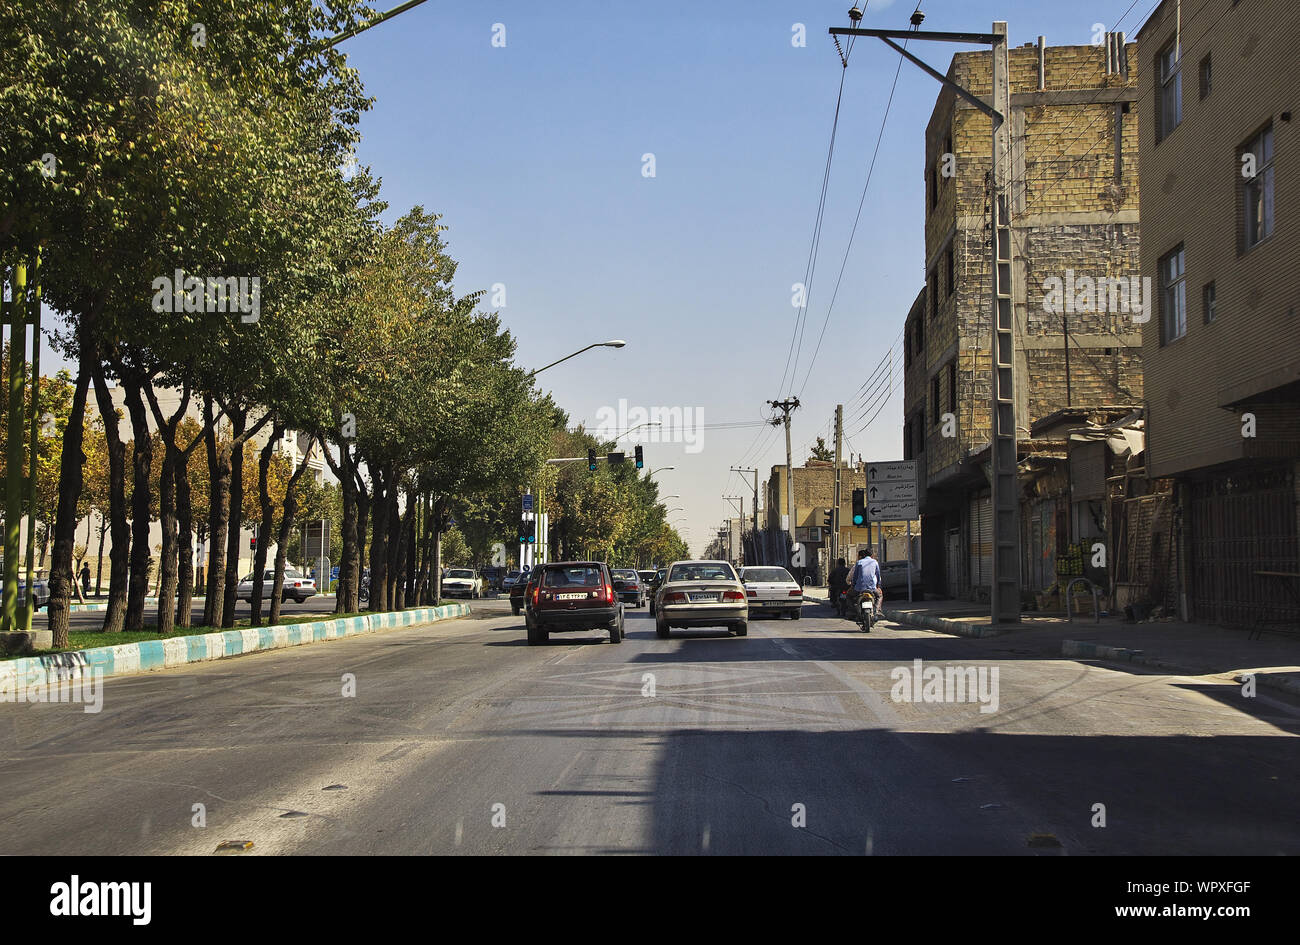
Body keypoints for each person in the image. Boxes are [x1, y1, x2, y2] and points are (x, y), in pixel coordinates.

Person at [846, 547, 882, 630]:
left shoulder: (859, 562)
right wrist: (879, 586)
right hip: (872, 588)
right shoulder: (875, 562)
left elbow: (855, 577)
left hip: (859, 588)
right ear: (872, 555)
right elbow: (878, 575)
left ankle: (853, 612)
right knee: (879, 596)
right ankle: (877, 611)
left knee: (848, 595)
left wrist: (852, 586)